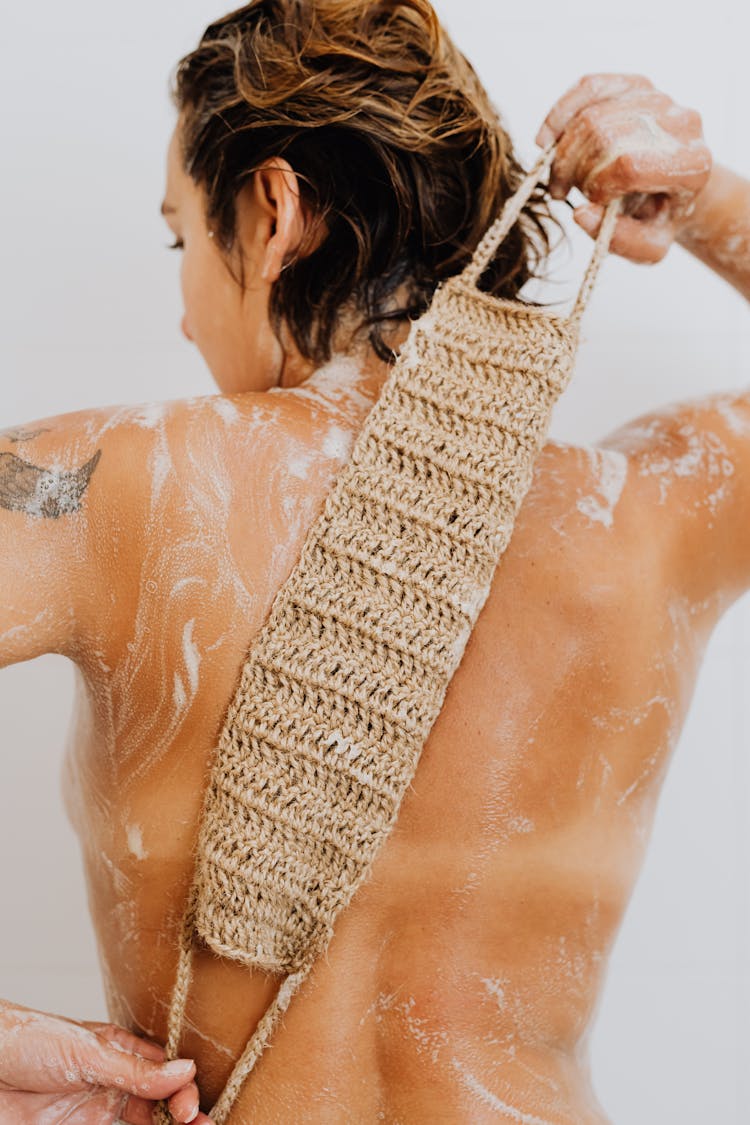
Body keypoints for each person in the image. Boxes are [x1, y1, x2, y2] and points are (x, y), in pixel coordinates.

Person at [1, 1, 749, 1121]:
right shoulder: (642, 518)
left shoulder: (106, 484)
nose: (184, 314)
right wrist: (711, 206)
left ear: (270, 212)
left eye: (180, 238)